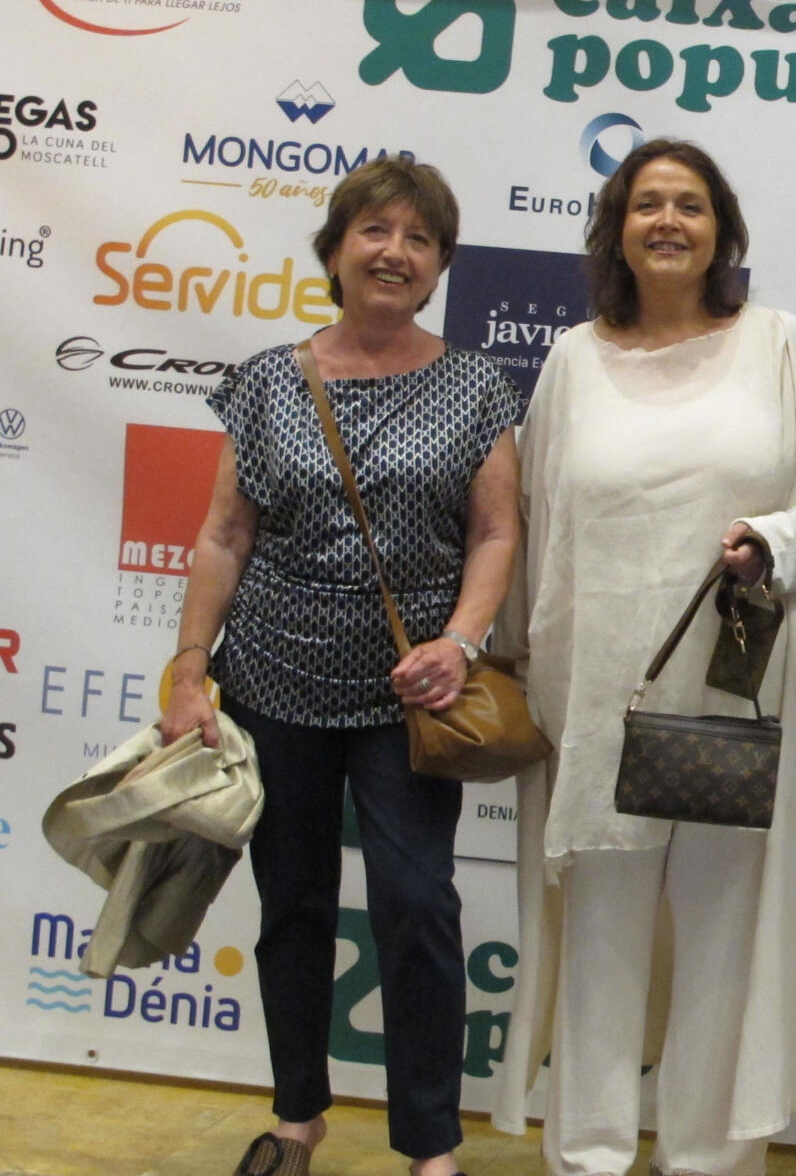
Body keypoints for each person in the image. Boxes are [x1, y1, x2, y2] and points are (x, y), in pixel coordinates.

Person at [489, 138, 796, 1176]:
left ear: (721, 231)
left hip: (736, 701)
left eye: (690, 205)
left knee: (723, 947)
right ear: (617, 230)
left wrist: (776, 542)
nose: (668, 221)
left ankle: (704, 1160)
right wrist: (518, 670)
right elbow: (535, 524)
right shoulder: (572, 361)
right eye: (647, 203)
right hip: (596, 701)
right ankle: (591, 1156)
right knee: (599, 945)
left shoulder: (781, 346)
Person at [162, 155, 525, 1176]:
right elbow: (225, 534)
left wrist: (460, 643)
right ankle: (296, 1117)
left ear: (440, 265)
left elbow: (496, 532)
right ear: (333, 250)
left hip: (413, 696)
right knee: (293, 904)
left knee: (417, 906)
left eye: (419, 238)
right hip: (273, 680)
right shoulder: (267, 380)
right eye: (375, 231)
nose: (395, 253)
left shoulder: (475, 385)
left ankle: (430, 1143)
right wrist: (189, 670)